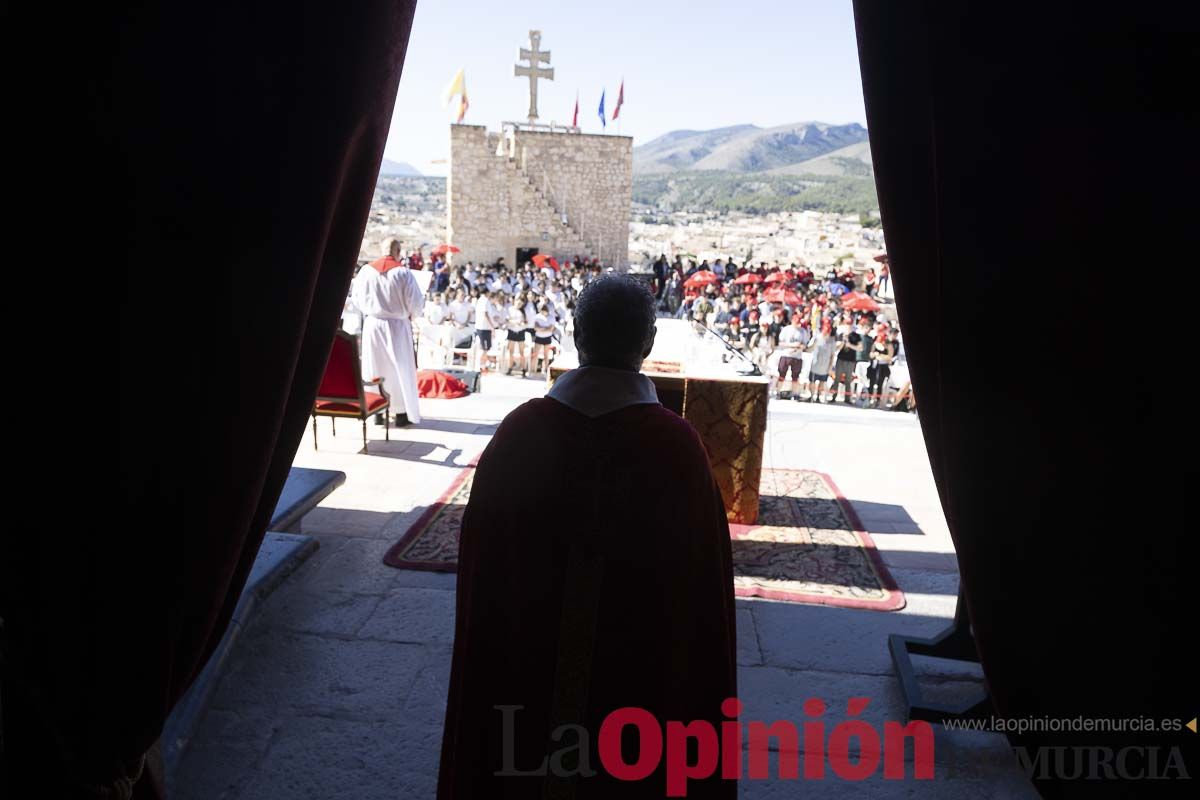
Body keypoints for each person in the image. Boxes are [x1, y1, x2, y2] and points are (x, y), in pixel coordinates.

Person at [438, 274, 736, 799]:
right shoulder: (676, 449)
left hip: (520, 694)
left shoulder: (520, 433)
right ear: (647, 344)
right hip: (635, 709)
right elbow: (700, 597)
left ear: (576, 336)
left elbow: (485, 579)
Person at [351, 237, 424, 426]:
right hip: (397, 326)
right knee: (398, 367)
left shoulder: (366, 272)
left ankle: (378, 411)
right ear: (398, 251)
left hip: (373, 325)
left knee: (374, 367)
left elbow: (356, 299)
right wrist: (412, 315)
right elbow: (415, 303)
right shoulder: (403, 273)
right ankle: (400, 413)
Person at [775, 313, 807, 400]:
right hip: (786, 354)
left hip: (797, 356)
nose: (797, 324)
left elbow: (804, 345)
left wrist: (798, 347)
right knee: (782, 374)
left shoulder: (803, 331)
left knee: (795, 376)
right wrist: (792, 345)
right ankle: (778, 392)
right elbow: (780, 343)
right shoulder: (786, 330)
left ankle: (794, 393)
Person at [807, 319, 837, 403]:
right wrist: (814, 344)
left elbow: (832, 355)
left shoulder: (832, 341)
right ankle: (812, 396)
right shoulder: (817, 338)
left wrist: (830, 367)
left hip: (825, 366)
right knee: (812, 381)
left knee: (822, 382)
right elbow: (809, 349)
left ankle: (818, 397)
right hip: (815, 364)